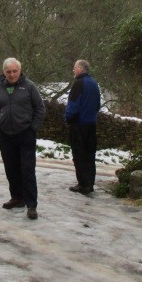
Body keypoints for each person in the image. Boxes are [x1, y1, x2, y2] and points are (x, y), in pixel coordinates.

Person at [0, 58, 45, 220]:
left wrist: (32, 128)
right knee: (11, 168)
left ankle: (31, 205)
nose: (12, 74)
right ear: (4, 72)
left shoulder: (29, 86)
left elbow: (40, 108)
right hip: (6, 135)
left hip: (25, 134)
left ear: (20, 70)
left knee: (27, 169)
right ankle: (17, 198)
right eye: (8, 72)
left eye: (14, 71)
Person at [65, 59, 101, 195]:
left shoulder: (79, 84)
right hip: (91, 123)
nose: (73, 70)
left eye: (74, 68)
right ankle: (90, 183)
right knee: (89, 155)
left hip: (79, 125)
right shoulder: (94, 83)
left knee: (79, 154)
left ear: (80, 68)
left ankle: (83, 184)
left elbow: (73, 105)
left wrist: (68, 118)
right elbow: (97, 105)